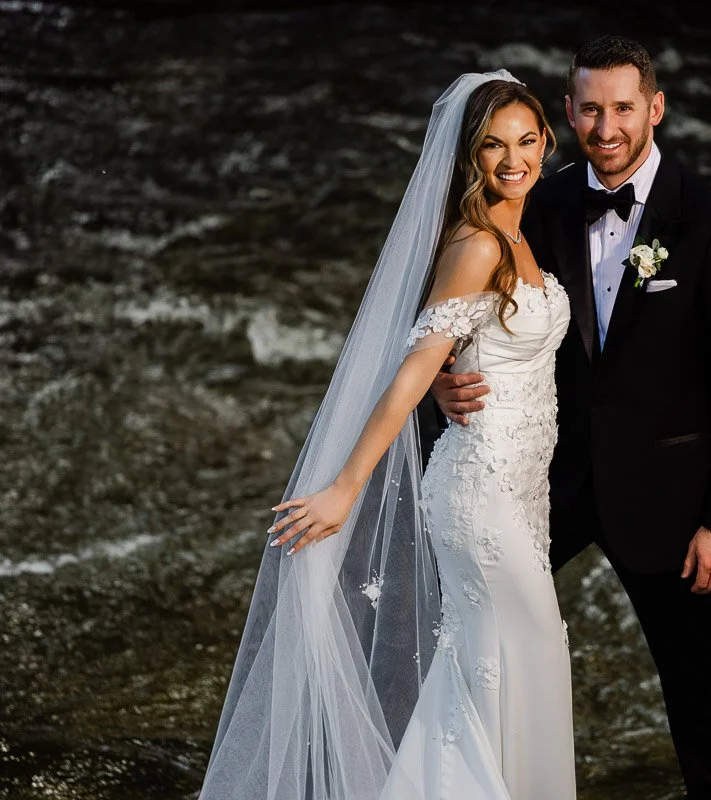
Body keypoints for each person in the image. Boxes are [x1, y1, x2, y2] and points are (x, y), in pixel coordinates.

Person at [199, 71, 577, 799]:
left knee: (486, 676)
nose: (513, 160)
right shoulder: (477, 246)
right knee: (523, 661)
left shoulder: (513, 231)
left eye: (527, 141)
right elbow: (411, 373)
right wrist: (345, 487)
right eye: (494, 147)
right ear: (469, 157)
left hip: (525, 497)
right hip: (480, 497)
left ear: (544, 141)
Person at [431, 35, 711, 800]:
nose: (607, 126)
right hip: (541, 480)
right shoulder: (539, 200)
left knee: (702, 687)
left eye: (624, 107)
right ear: (569, 111)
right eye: (590, 108)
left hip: (672, 501)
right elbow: (452, 303)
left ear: (655, 108)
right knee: (458, 628)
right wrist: (440, 385)